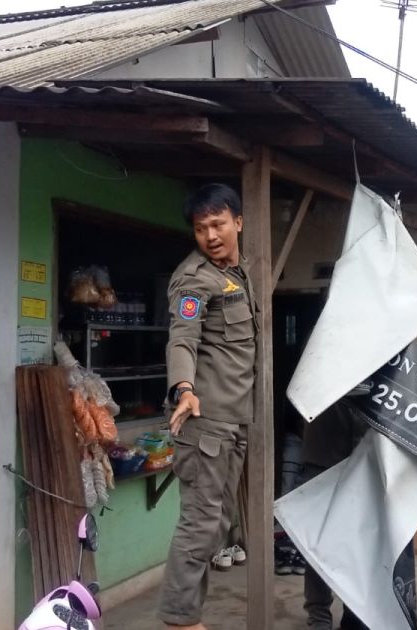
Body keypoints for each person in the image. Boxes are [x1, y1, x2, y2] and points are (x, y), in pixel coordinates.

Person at [158, 183, 258, 630]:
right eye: (201, 229)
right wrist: (184, 387)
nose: (211, 235)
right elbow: (183, 336)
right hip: (205, 421)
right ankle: (180, 621)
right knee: (200, 525)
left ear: (238, 221)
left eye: (218, 224)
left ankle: (186, 614)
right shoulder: (194, 278)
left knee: (219, 525)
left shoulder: (240, 275)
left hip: (234, 421)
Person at [299, 397, 370, 630]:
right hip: (323, 452)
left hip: (366, 455)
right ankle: (318, 615)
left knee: (359, 544)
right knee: (318, 544)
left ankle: (354, 615)